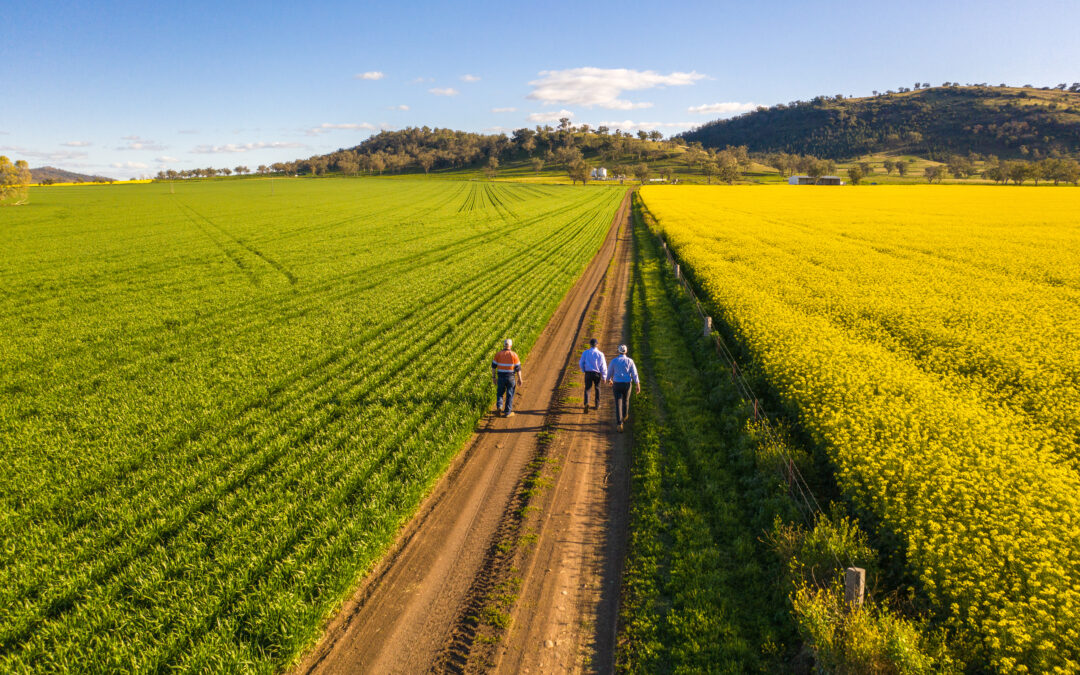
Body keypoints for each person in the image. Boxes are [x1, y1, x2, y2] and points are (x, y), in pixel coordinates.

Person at [607, 344, 640, 432]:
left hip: (617, 384)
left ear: (618, 351)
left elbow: (609, 373)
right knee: (626, 401)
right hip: (627, 384)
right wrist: (637, 384)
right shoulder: (630, 361)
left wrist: (609, 380)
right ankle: (625, 416)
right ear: (626, 351)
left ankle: (619, 423)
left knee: (618, 404)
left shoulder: (614, 361)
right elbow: (635, 374)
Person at [491, 338, 523, 417]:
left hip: (501, 377)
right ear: (511, 346)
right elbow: (518, 368)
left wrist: (494, 377)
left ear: (504, 345)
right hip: (510, 377)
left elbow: (493, 367)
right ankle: (507, 412)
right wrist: (520, 378)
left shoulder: (498, 354)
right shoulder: (514, 355)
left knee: (500, 393)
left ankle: (499, 407)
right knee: (510, 394)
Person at [578, 338, 607, 413]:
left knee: (587, 389)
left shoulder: (585, 353)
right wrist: (604, 376)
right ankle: (597, 405)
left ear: (590, 344)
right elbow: (603, 366)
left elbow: (581, 363)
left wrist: (583, 370)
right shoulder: (600, 354)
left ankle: (586, 403)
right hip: (597, 374)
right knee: (597, 389)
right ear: (597, 344)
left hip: (588, 373)